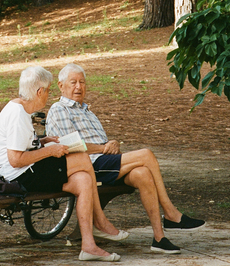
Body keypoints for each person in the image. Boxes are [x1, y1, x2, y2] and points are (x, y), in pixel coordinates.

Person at [46, 63, 205, 254]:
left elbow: (102, 143)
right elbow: (69, 146)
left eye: (82, 82)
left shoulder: (87, 111)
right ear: (61, 86)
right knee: (146, 155)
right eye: (73, 82)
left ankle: (159, 238)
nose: (78, 87)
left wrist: (112, 143)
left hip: (104, 161)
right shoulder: (59, 109)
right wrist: (104, 148)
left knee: (142, 173)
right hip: (86, 166)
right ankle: (171, 213)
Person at [0, 65, 128, 262]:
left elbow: (22, 146)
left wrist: (42, 142)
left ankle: (88, 246)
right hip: (17, 176)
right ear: (39, 91)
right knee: (81, 158)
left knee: (82, 179)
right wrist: (49, 150)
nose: (49, 95)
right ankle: (100, 221)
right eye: (48, 90)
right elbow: (15, 160)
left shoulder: (21, 109)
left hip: (26, 171)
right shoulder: (17, 114)